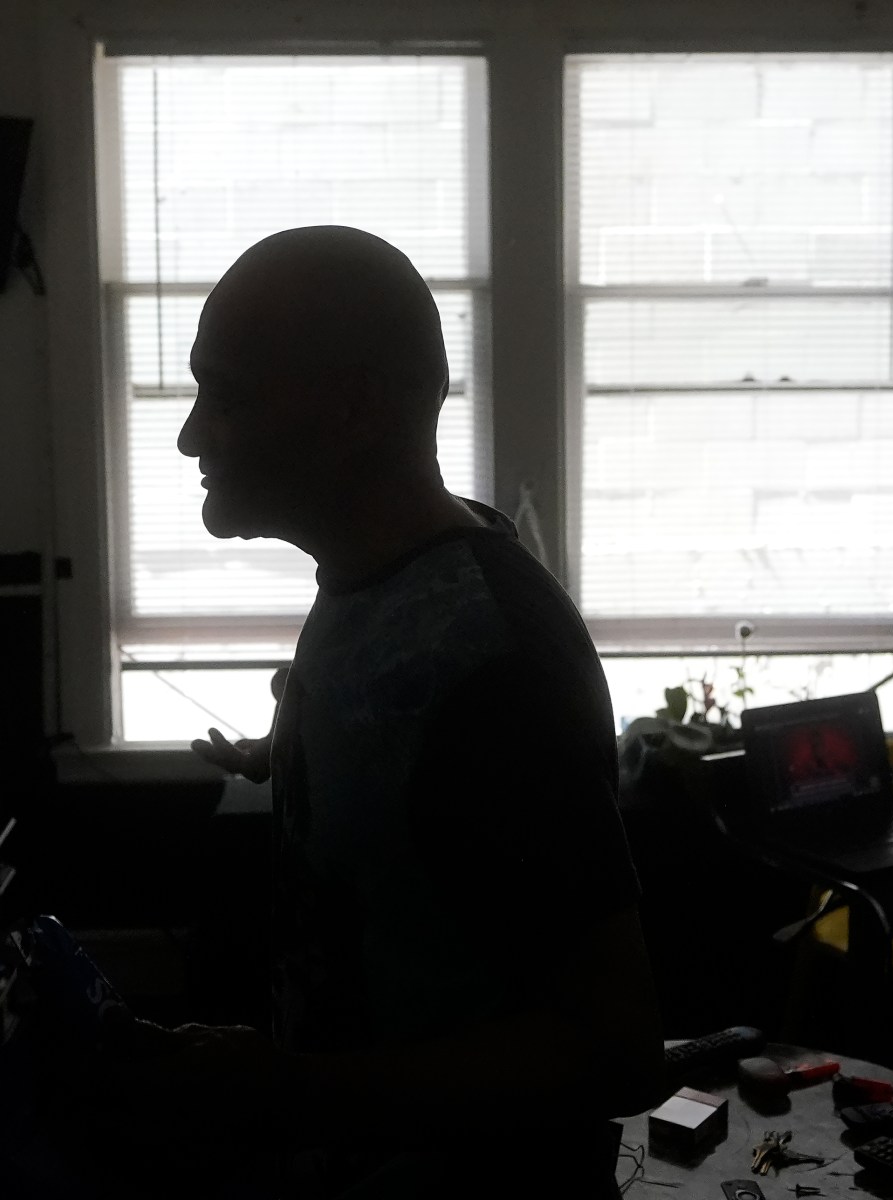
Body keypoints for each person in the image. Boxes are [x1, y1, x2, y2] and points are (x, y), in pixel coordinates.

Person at [155, 225, 663, 1195]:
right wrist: (290, 745)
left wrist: (282, 1089)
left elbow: (615, 1052)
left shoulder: (488, 662)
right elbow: (409, 759)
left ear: (350, 411)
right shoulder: (373, 570)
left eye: (225, 396)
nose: (188, 435)